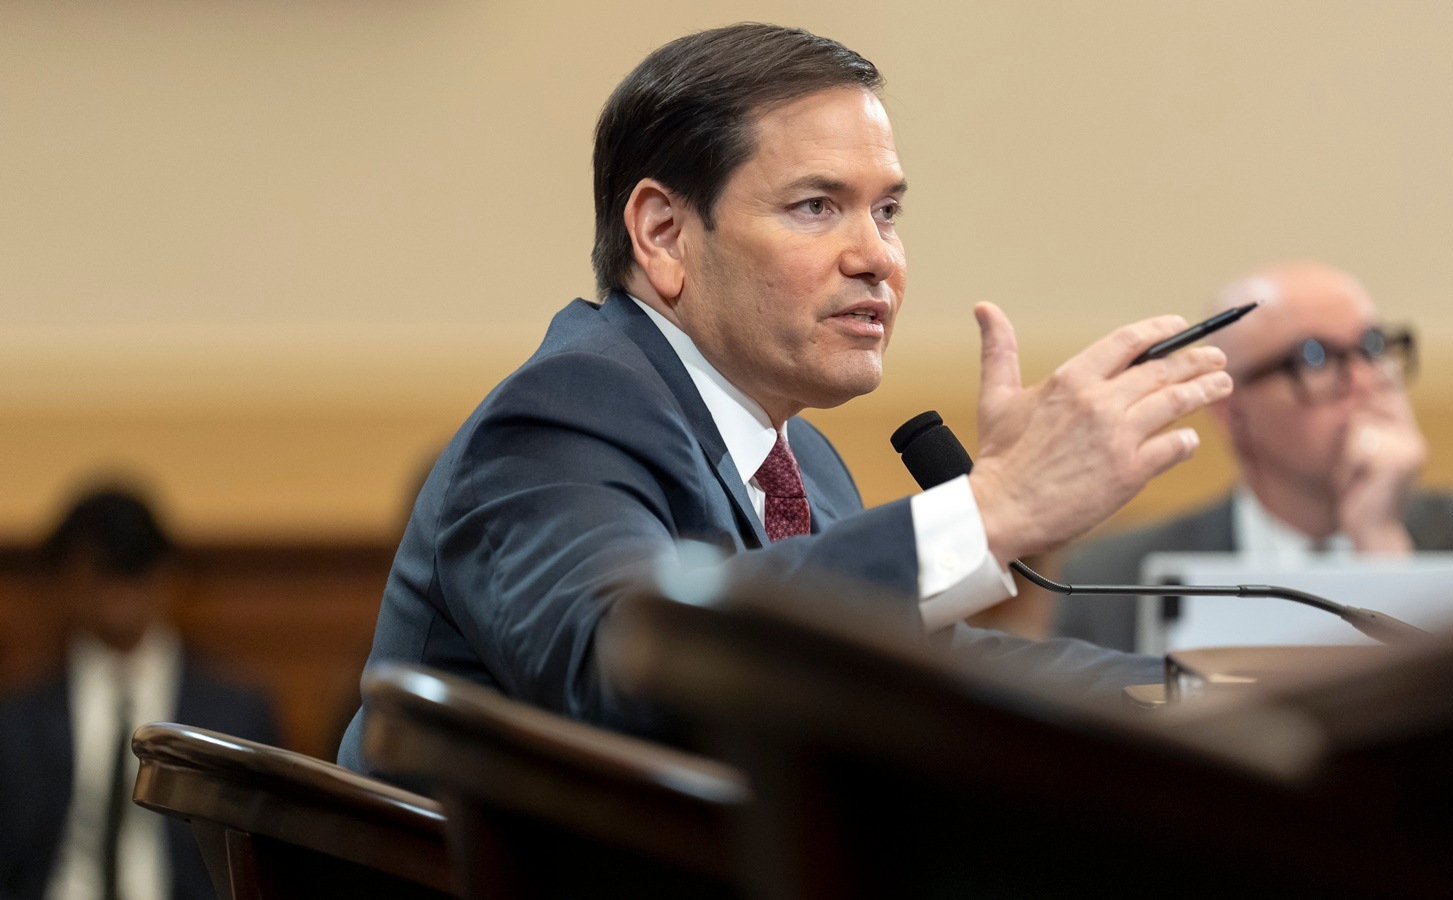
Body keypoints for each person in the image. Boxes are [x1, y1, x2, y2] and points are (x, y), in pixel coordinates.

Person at [338, 23, 1237, 773]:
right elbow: (625, 663)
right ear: (662, 234)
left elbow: (933, 667)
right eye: (817, 206)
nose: (876, 256)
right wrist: (993, 508)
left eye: (887, 211)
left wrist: (1197, 694)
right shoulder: (565, 412)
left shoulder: (799, 460)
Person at [1054, 261, 1453, 651]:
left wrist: (1380, 542)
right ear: (1233, 413)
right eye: (1315, 358)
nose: (1366, 381)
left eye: (1373, 346)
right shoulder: (1113, 583)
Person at [0, 484, 280, 900]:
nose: (118, 591)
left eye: (133, 568)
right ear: (66, 579)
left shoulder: (234, 715)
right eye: (100, 570)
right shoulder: (17, 720)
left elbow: (269, 863)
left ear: (166, 575)